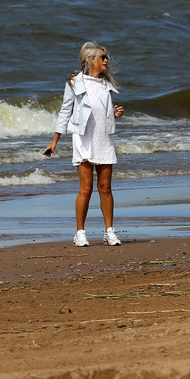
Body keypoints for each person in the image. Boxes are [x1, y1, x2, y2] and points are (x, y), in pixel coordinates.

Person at [45, 42, 125, 246]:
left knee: (105, 187)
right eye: (102, 57)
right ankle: (80, 233)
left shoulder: (106, 84)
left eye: (106, 57)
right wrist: (54, 141)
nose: (106, 60)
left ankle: (109, 231)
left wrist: (114, 114)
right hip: (83, 138)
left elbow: (102, 111)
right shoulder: (75, 83)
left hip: (104, 137)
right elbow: (65, 111)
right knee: (86, 188)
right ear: (89, 60)